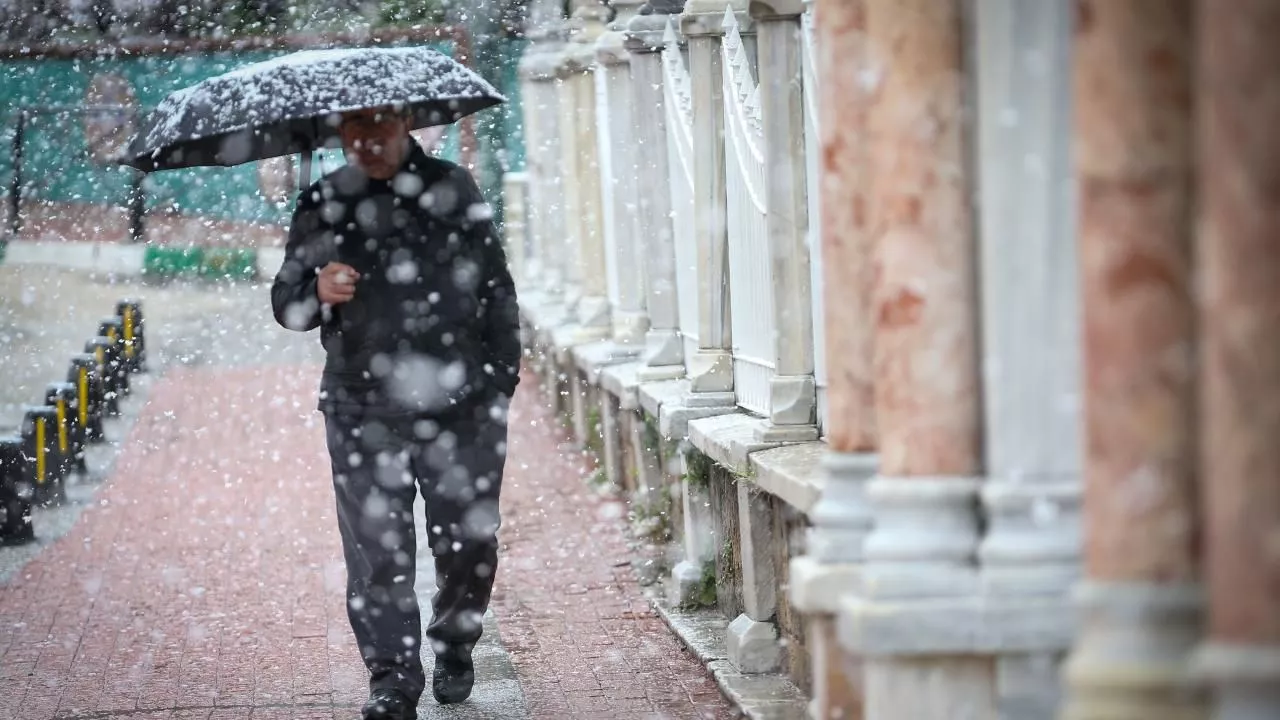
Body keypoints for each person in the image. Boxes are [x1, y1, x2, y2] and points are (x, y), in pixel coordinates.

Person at [270, 105, 521, 719]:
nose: (365, 140)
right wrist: (316, 290)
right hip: (360, 404)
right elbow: (286, 304)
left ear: (405, 122)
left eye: (377, 126)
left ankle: (456, 640)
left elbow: (496, 287)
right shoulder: (322, 200)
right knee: (377, 553)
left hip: (460, 403)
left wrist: (499, 381)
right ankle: (393, 681)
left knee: (469, 539)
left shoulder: (452, 188)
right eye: (353, 129)